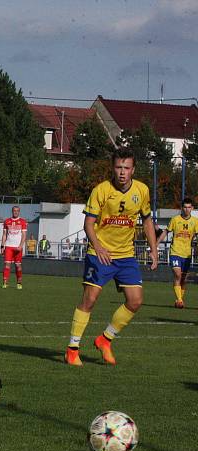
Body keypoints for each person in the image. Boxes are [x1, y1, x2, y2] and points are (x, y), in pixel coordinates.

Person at [64, 147, 158, 366]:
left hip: (126, 255)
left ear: (133, 169)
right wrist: (98, 247)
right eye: (118, 167)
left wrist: (153, 249)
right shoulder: (101, 190)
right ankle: (72, 349)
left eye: (126, 168)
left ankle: (105, 339)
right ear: (112, 168)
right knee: (90, 299)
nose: (122, 172)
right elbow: (88, 224)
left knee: (135, 301)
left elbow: (146, 220)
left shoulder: (142, 190)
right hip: (100, 254)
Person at [156, 198, 197, 309]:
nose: (187, 209)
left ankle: (179, 300)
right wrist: (156, 244)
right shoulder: (175, 220)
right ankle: (179, 300)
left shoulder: (195, 221)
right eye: (185, 207)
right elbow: (165, 231)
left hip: (187, 254)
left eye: (189, 207)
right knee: (178, 274)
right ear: (181, 208)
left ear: (192, 208)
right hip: (175, 252)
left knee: (183, 279)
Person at [0, 205, 27, 289]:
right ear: (12, 211)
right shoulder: (7, 221)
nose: (15, 212)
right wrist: (2, 246)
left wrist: (21, 246)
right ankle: (5, 282)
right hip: (8, 246)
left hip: (18, 247)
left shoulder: (22, 221)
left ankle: (19, 283)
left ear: (19, 212)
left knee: (18, 266)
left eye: (17, 211)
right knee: (7, 265)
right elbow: (4, 235)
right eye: (14, 210)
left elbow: (24, 235)